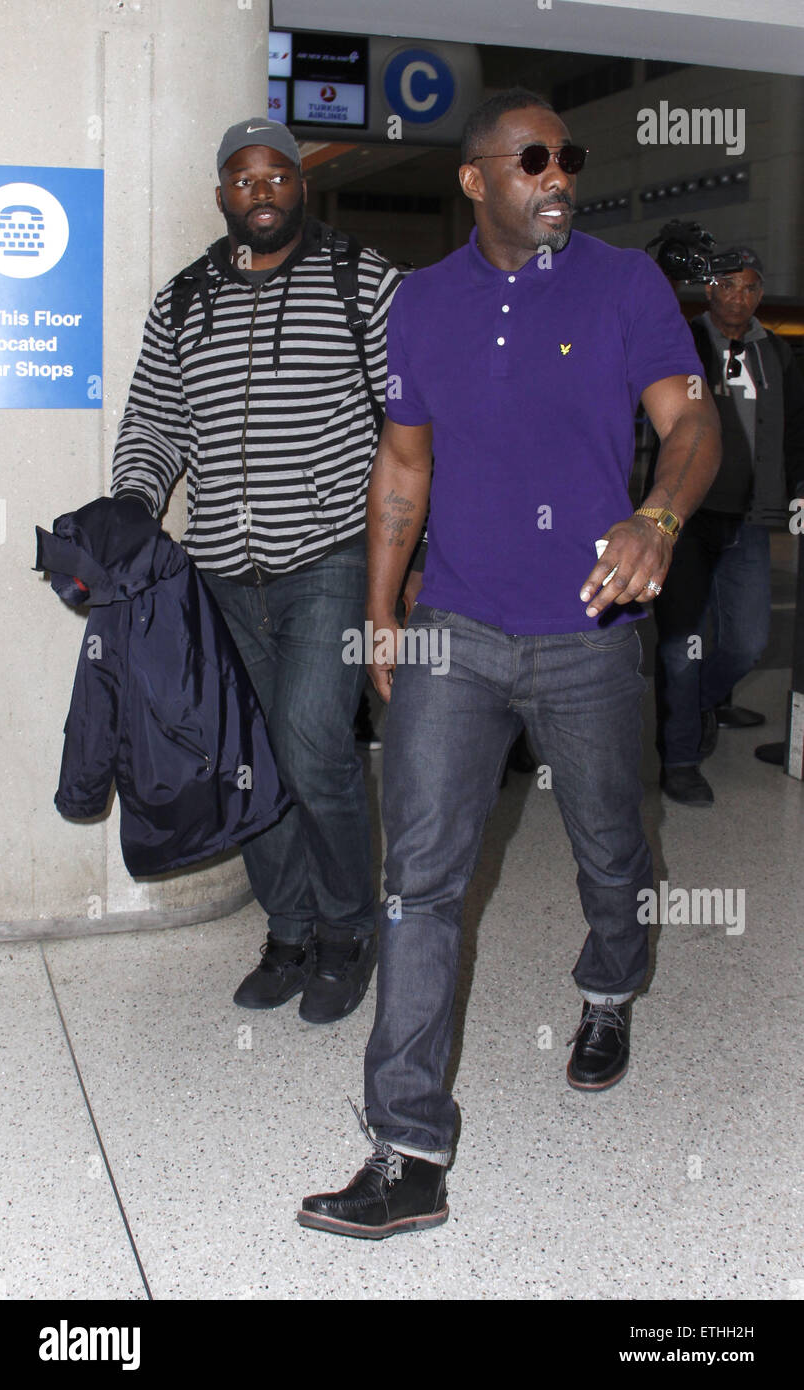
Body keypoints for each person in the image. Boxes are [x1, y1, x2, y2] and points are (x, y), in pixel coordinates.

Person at [297, 88, 721, 1239]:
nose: (557, 176)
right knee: (420, 879)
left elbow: (689, 426)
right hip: (457, 629)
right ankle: (407, 1148)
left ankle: (607, 985)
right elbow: (401, 466)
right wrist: (382, 609)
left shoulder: (623, 284)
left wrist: (657, 522)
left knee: (609, 845)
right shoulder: (419, 307)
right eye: (530, 159)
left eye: (565, 157)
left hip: (587, 624)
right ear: (475, 180)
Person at [111, 118, 403, 1023]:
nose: (263, 190)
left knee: (314, 748)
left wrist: (416, 558)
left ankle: (350, 929)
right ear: (222, 195)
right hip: (223, 574)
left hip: (328, 558)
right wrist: (130, 503)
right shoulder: (184, 300)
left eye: (279, 174)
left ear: (301, 185)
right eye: (245, 179)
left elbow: (415, 426)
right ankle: (289, 927)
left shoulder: (361, 280)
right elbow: (155, 423)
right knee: (252, 762)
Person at [653, 249, 804, 805]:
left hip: (750, 516)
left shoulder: (776, 354)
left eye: (748, 288)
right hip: (688, 519)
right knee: (679, 646)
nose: (737, 297)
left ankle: (696, 705)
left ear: (759, 295)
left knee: (747, 641)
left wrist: (798, 487)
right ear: (709, 290)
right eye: (726, 285)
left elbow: (795, 430)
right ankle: (682, 757)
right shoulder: (680, 342)